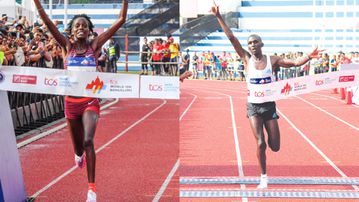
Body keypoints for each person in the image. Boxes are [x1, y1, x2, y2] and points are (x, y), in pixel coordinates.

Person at [211, 2, 323, 189]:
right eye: (249, 43)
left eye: (255, 42)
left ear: (261, 44)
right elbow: (231, 38)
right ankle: (263, 177)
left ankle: (269, 154)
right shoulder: (246, 59)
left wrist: (308, 56)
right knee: (260, 143)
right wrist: (218, 17)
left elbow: (294, 62)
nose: (252, 45)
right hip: (253, 107)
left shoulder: (273, 60)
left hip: (269, 107)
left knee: (275, 146)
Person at [33, 0, 128, 201]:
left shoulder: (94, 47)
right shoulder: (66, 46)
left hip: (89, 102)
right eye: (77, 25)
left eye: (85, 25)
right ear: (71, 30)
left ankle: (91, 190)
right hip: (70, 104)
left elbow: (120, 20)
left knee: (88, 140)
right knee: (78, 148)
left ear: (90, 30)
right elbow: (47, 21)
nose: (81, 28)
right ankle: (78, 155)